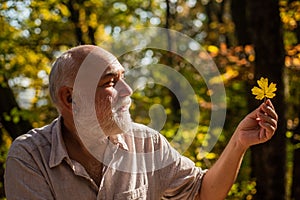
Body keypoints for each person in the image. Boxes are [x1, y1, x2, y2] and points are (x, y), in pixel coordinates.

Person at [4, 45, 278, 200]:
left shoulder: (147, 143)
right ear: (69, 98)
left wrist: (239, 143)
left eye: (123, 78)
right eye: (111, 82)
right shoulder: (29, 157)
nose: (128, 90)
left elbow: (202, 192)